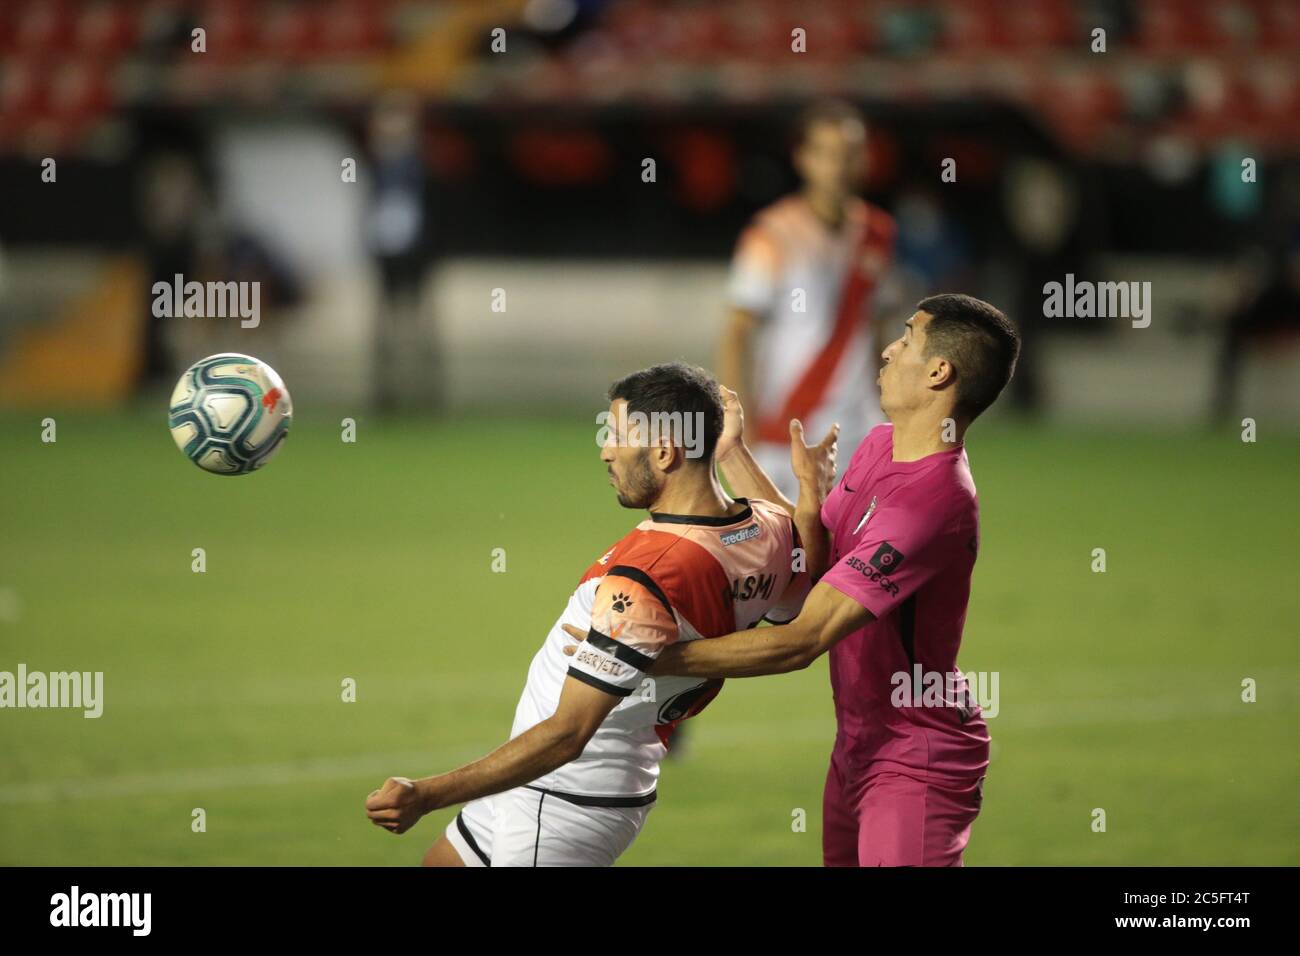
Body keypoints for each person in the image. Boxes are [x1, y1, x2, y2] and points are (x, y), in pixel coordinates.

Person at [569, 294, 1020, 867]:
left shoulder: (933, 502)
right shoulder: (882, 446)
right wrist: (733, 453)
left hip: (916, 756)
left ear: (939, 371)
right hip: (858, 743)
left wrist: (645, 657)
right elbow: (808, 565)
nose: (887, 348)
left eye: (906, 339)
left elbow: (803, 639)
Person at [364, 362, 838, 865]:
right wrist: (750, 463)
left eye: (616, 436)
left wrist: (427, 795)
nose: (605, 451)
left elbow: (568, 734)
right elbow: (800, 574)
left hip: (564, 797)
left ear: (664, 451)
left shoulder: (650, 576)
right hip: (536, 782)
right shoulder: (762, 530)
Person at [718, 99, 897, 501]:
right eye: (828, 153)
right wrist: (739, 421)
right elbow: (737, 332)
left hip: (860, 425)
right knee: (785, 553)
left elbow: (880, 328)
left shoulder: (879, 233)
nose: (840, 165)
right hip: (789, 424)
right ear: (804, 158)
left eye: (850, 153)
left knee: (855, 554)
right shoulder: (773, 234)